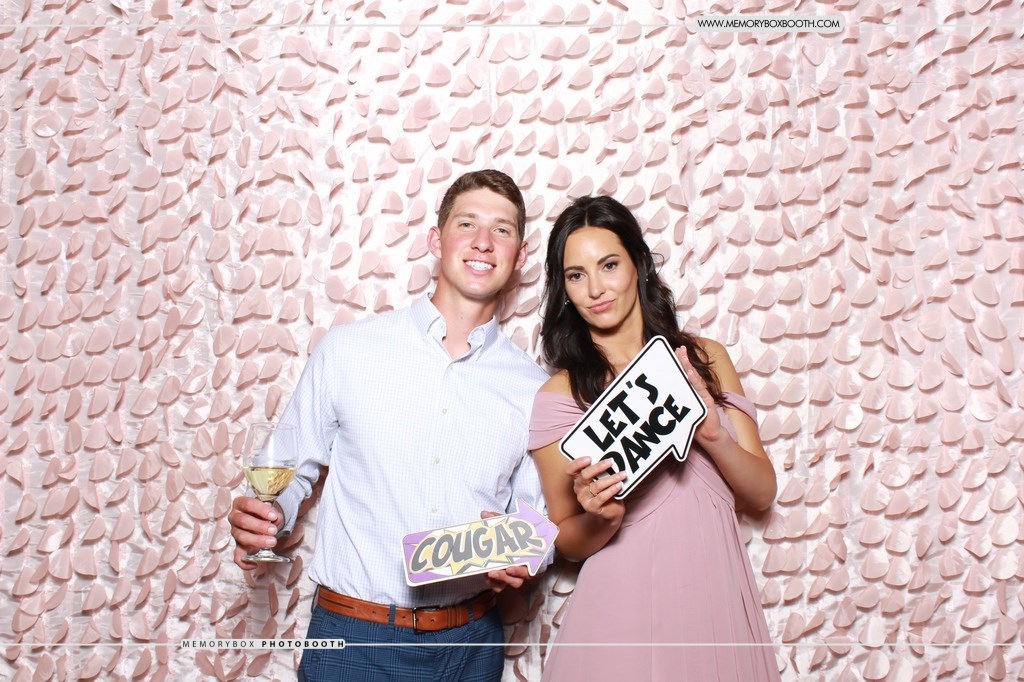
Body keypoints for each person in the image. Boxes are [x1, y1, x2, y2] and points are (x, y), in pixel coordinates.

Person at [228, 169, 550, 682]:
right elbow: (288, 470)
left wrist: (525, 552)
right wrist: (265, 516)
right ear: (436, 240)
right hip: (354, 642)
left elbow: (537, 518)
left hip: (471, 645)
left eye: (502, 229)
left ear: (520, 254)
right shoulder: (349, 351)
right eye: (467, 224)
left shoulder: (534, 388)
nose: (483, 242)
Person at [529, 195, 780, 681]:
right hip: (622, 611)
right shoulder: (558, 396)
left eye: (609, 265)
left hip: (715, 601)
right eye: (576, 275)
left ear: (640, 264)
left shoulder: (705, 358)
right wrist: (601, 516)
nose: (595, 288)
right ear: (564, 289)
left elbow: (762, 492)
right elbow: (566, 541)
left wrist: (713, 435)